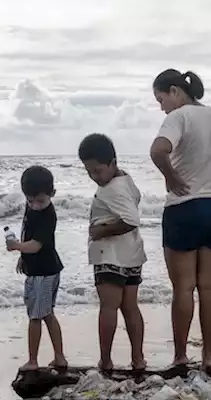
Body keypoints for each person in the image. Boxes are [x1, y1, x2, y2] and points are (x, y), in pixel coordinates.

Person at [149, 68, 211, 370]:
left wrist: (172, 177)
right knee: (210, 287)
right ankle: (209, 355)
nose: (162, 107)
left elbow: (158, 150)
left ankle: (180, 355)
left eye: (161, 99)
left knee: (184, 288)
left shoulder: (179, 117)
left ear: (174, 91)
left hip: (184, 209)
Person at [78, 133, 147, 372]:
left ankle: (105, 360)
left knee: (108, 307)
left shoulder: (110, 190)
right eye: (88, 172)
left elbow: (131, 220)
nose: (94, 177)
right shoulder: (125, 179)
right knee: (130, 307)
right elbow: (135, 203)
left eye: (97, 171)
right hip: (132, 254)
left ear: (113, 163)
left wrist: (101, 231)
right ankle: (138, 359)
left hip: (110, 255)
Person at [7, 165, 67, 371]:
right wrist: (22, 256)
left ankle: (33, 360)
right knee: (47, 314)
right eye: (30, 200)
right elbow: (27, 234)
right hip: (40, 269)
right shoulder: (31, 207)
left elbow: (36, 244)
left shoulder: (48, 215)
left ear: (52, 194)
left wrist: (17, 247)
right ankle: (59, 357)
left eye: (40, 200)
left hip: (44, 272)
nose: (35, 205)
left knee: (36, 317)